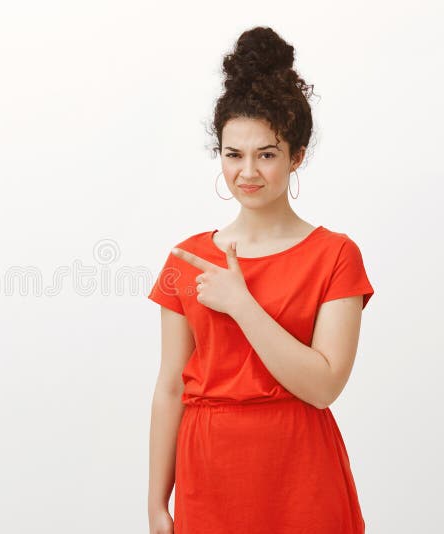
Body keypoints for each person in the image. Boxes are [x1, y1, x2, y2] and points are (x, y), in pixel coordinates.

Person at [146, 27, 375, 534]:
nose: (247, 172)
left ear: (297, 156)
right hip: (209, 477)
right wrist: (157, 502)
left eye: (267, 154)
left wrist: (241, 303)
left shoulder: (336, 255)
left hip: (300, 477)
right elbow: (168, 389)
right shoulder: (188, 258)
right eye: (233, 155)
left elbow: (323, 386)